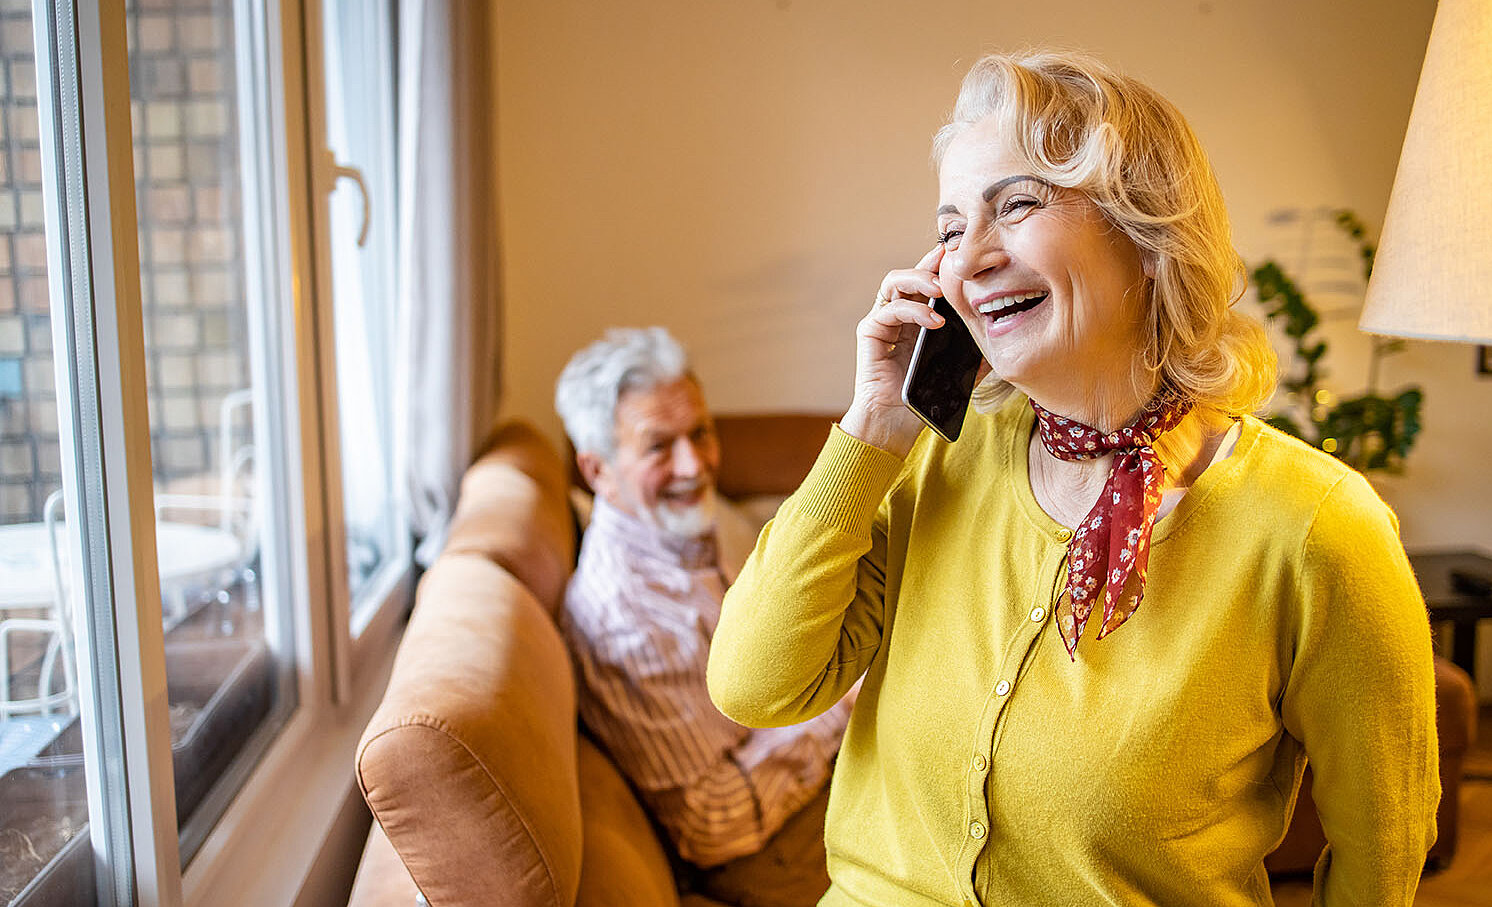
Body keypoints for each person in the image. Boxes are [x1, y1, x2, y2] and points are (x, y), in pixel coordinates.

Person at [707, 51, 1440, 906]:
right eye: (949, 229)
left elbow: (1379, 845)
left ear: (1146, 231)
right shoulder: (936, 457)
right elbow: (755, 684)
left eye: (1015, 205)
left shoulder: (1315, 527)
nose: (969, 258)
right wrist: (872, 426)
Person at [556, 327, 851, 907]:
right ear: (597, 472)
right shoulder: (631, 621)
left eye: (700, 433)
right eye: (659, 447)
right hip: (769, 851)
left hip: (807, 768)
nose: (695, 467)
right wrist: (842, 703)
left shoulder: (686, 529)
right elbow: (715, 824)